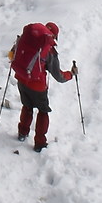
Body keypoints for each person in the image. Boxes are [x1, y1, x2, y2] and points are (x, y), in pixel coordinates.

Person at [7, 21, 75, 151]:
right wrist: (70, 74)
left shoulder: (27, 39)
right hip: (38, 86)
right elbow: (58, 76)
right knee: (43, 111)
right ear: (53, 36)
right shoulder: (49, 49)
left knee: (27, 106)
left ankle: (22, 133)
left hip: (22, 79)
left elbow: (13, 54)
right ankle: (40, 143)